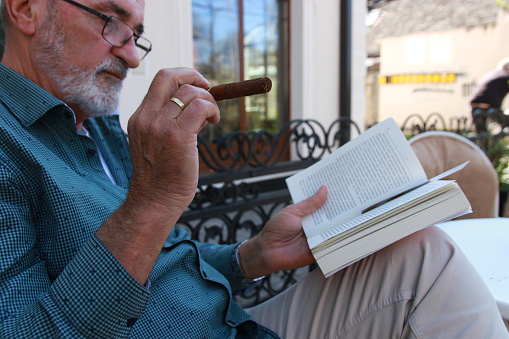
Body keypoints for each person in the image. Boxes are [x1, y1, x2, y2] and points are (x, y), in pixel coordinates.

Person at [0, 0, 507, 338]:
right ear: (25, 8)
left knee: (421, 253)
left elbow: (162, 263)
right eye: (110, 19)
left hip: (231, 322)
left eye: (137, 34)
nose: (132, 56)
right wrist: (152, 202)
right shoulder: (9, 146)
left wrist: (254, 254)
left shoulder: (104, 129)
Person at [470, 58, 509, 133]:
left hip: (475, 106)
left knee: (481, 134)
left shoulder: (493, 74)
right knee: (504, 127)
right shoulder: (505, 77)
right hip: (490, 109)